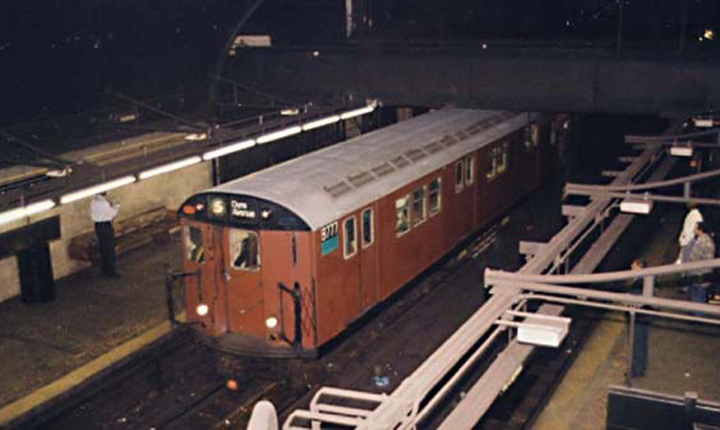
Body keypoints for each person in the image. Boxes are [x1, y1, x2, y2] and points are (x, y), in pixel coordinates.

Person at [628, 259, 649, 378]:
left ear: (639, 267)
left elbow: (636, 301)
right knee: (642, 343)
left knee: (636, 344)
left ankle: (636, 370)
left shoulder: (639, 283)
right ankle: (641, 367)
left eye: (634, 264)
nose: (631, 265)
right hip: (645, 317)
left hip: (638, 318)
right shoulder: (647, 278)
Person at [685, 221, 716, 305]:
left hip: (699, 276)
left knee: (698, 300)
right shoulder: (707, 240)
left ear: (700, 230)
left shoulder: (701, 242)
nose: (693, 229)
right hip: (703, 276)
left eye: (695, 227)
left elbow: (694, 258)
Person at [91, 192, 120, 277]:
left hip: (98, 226)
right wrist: (116, 207)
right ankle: (111, 271)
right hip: (105, 225)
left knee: (103, 248)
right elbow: (111, 214)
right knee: (109, 248)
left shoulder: (93, 202)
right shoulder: (104, 203)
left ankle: (104, 270)